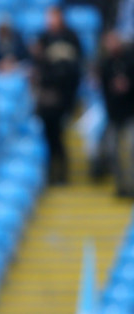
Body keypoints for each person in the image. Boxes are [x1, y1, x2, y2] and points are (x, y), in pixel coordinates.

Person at [30, 6, 83, 185]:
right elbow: (38, 67)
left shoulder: (71, 37)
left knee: (58, 135)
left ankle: (62, 173)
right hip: (47, 98)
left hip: (64, 96)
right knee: (50, 136)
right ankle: (53, 173)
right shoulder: (43, 38)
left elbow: (75, 69)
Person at [90, 30, 134, 196]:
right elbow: (101, 88)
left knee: (131, 150)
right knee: (112, 150)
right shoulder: (105, 64)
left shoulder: (130, 60)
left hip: (130, 113)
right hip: (113, 115)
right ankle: (121, 186)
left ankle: (131, 185)